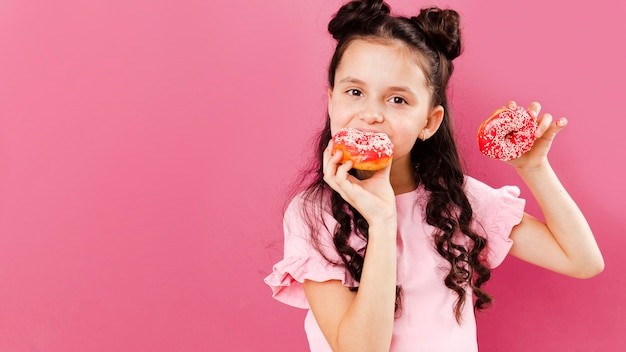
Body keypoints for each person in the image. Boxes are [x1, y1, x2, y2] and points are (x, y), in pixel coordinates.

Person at [264, 0, 604, 350]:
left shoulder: (459, 201)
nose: (370, 114)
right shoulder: (312, 214)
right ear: (332, 101)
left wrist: (534, 169)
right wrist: (382, 221)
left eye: (397, 100)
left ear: (428, 122)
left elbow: (582, 260)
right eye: (355, 92)